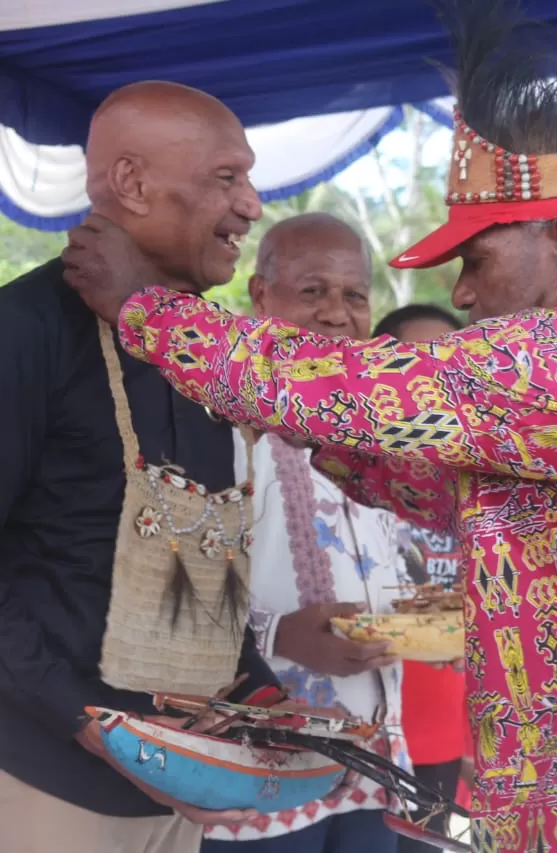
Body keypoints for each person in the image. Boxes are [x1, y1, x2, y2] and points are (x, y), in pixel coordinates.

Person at [61, 3, 557, 850]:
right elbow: (423, 477)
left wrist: (147, 309)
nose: (463, 296)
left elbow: (361, 387)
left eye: (476, 260)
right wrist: (306, 436)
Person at [0, 81, 285, 853]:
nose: (251, 204)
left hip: (183, 788)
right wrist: (90, 721)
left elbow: (198, 559)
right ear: (133, 183)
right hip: (48, 780)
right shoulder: (23, 327)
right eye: (227, 177)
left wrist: (260, 689)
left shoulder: (203, 351)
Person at [202, 213, 409, 853]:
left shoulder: (383, 433)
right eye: (312, 291)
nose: (335, 314)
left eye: (353, 295)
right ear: (261, 297)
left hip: (375, 763)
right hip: (258, 763)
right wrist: (279, 633)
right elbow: (174, 589)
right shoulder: (220, 425)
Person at [373, 305, 472, 853]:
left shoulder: (481, 476)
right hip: (365, 733)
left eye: (448, 368)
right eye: (416, 365)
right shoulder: (347, 469)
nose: (432, 383)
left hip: (444, 738)